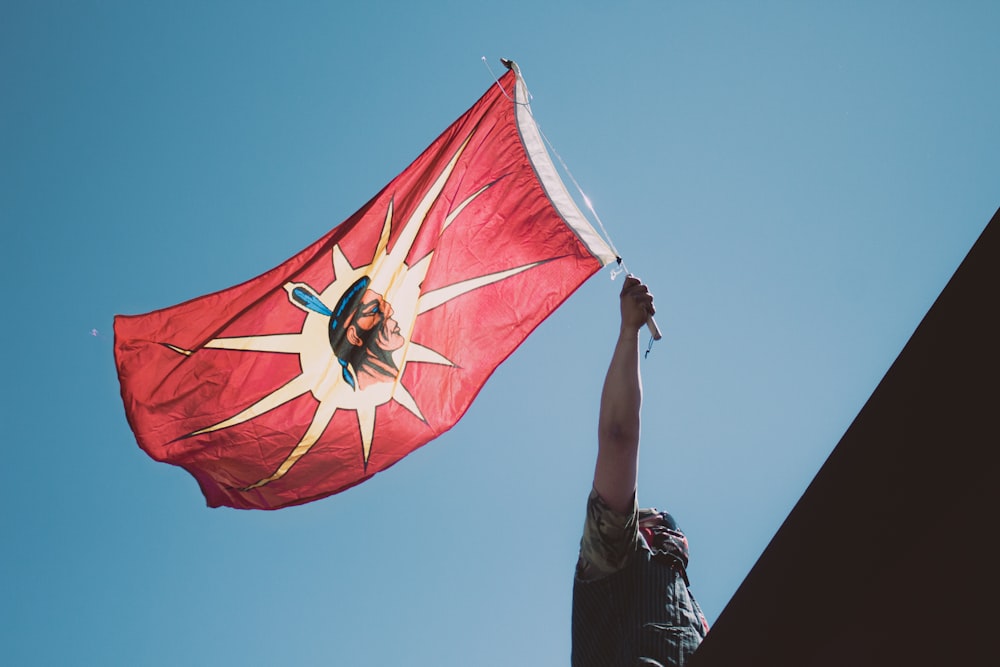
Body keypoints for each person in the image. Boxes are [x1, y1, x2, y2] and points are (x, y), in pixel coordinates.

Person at [571, 275, 709, 667]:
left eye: (670, 525)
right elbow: (618, 436)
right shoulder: (615, 554)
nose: (670, 528)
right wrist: (630, 333)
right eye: (654, 521)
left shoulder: (694, 619)